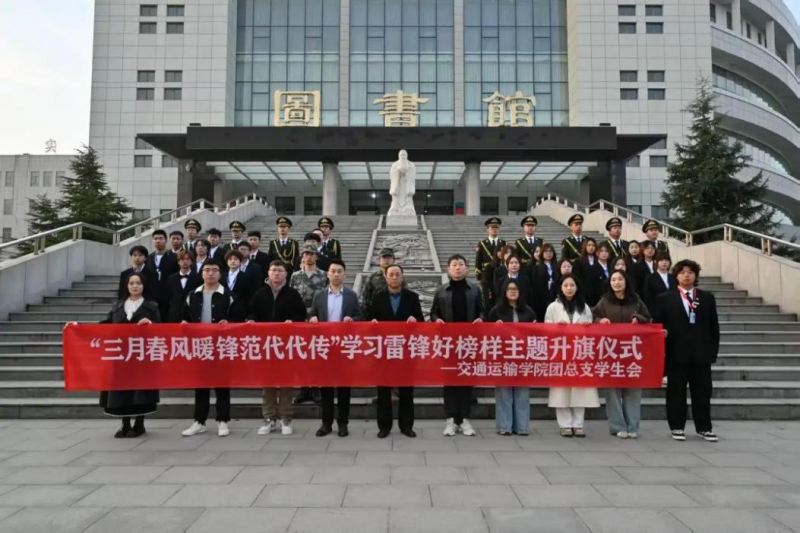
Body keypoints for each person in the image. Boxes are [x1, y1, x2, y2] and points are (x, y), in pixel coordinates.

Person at [654, 259, 720, 442]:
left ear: (695, 275)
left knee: (702, 393)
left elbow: (714, 328)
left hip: (701, 355)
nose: (686, 275)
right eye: (682, 272)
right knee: (676, 392)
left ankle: (704, 428)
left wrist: (712, 353)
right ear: (676, 276)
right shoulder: (665, 299)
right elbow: (658, 325)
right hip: (676, 354)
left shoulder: (707, 298)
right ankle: (676, 427)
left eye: (690, 272)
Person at [181, 260, 245, 437]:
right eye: (207, 270)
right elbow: (184, 315)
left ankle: (222, 421)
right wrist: (184, 322)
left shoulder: (228, 295)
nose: (210, 273)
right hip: (200, 346)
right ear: (201, 273)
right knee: (201, 385)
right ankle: (199, 421)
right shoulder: (193, 295)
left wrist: (229, 323)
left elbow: (239, 319)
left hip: (221, 346)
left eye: (214, 270)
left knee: (222, 385)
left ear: (220, 274)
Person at [248, 260, 308, 436]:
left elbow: (301, 313)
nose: (276, 273)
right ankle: (269, 418)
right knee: (268, 383)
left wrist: (293, 321)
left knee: (286, 383)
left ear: (285, 274)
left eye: (280, 271)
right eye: (273, 270)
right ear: (268, 272)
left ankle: (285, 418)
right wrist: (251, 320)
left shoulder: (292, 294)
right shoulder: (260, 293)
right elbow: (251, 311)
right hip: (266, 345)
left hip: (286, 345)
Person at [99, 272, 160, 438]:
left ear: (144, 286)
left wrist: (151, 324)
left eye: (138, 283)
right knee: (122, 390)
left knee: (140, 391)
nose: (135, 286)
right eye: (131, 283)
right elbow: (105, 324)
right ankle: (124, 424)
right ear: (126, 286)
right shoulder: (118, 306)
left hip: (141, 356)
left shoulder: (151, 306)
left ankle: (139, 424)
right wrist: (78, 327)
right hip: (121, 355)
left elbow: (160, 328)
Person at [430, 254, 485, 437]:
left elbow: (483, 310)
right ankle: (451, 420)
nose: (458, 268)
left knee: (467, 382)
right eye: (454, 265)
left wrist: (481, 319)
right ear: (448, 269)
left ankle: (465, 420)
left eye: (461, 264)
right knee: (449, 381)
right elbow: (434, 312)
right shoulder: (441, 290)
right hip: (449, 344)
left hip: (469, 343)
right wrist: (436, 320)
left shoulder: (475, 289)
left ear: (467, 268)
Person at [593, 271, 652, 439]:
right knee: (612, 392)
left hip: (632, 352)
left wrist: (638, 318)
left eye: (620, 279)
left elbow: (648, 318)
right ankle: (617, 426)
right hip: (610, 351)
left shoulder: (636, 300)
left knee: (633, 391)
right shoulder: (605, 301)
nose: (616, 282)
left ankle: (633, 426)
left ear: (626, 282)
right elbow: (593, 315)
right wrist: (600, 321)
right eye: (613, 280)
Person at [367, 264, 424, 438]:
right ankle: (384, 426)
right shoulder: (378, 297)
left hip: (405, 351)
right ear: (385, 277)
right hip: (383, 350)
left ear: (402, 276)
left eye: (397, 274)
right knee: (383, 390)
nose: (394, 277)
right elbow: (369, 319)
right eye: (391, 274)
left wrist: (415, 320)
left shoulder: (412, 297)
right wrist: (372, 323)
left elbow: (421, 321)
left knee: (406, 390)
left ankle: (406, 426)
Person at [309, 259, 363, 437]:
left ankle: (343, 423)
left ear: (345, 275)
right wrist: (312, 319)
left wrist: (352, 319)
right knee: (325, 388)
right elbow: (311, 314)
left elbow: (360, 316)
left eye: (340, 271)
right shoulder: (319, 296)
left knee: (344, 388)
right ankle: (326, 423)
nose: (336, 274)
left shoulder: (351, 296)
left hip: (344, 347)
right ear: (328, 274)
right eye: (333, 271)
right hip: (325, 348)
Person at [545, 274, 599, 437]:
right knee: (561, 390)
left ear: (577, 287)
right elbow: (546, 330)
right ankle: (565, 424)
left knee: (580, 389)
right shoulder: (553, 307)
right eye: (566, 285)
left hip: (580, 354)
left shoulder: (585, 307)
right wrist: (557, 327)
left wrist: (588, 326)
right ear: (560, 288)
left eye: (572, 285)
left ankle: (578, 424)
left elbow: (592, 331)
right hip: (560, 353)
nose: (569, 288)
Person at [488, 279, 536, 436]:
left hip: (523, 357)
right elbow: (487, 334)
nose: (513, 291)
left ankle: (522, 427)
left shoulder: (528, 311)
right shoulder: (496, 311)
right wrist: (495, 328)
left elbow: (536, 333)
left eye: (516, 288)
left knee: (522, 393)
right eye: (509, 289)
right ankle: (505, 426)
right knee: (504, 393)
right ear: (504, 292)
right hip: (503, 356)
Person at [289, 243, 329, 406]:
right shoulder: (295, 276)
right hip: (300, 321)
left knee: (317, 355)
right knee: (302, 356)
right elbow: (291, 297)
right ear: (302, 256)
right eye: (306, 254)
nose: (309, 256)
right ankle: (304, 389)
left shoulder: (324, 275)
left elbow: (327, 298)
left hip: (318, 321)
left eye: (312, 254)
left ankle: (316, 388)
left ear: (316, 256)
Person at [361, 247, 405, 317]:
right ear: (379, 260)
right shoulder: (372, 278)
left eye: (389, 258)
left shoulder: (400, 278)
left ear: (393, 260)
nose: (386, 260)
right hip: (376, 316)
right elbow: (365, 300)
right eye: (384, 258)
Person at [145, 229, 179, 319]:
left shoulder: (174, 257)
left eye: (161, 238)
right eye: (155, 239)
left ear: (166, 240)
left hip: (169, 294)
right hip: (152, 295)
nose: (158, 241)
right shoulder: (149, 258)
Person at [475, 217, 506, 311]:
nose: (494, 229)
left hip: (500, 273)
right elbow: (478, 261)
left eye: (496, 227)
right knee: (487, 298)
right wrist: (479, 277)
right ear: (487, 229)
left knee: (500, 296)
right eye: (492, 227)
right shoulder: (482, 244)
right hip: (487, 274)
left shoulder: (503, 243)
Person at [166, 250, 202, 322]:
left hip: (192, 315)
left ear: (192, 261)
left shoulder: (198, 278)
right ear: (178, 262)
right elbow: (168, 297)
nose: (185, 261)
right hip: (174, 315)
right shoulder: (171, 278)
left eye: (188, 259)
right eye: (182, 259)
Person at [532, 243, 558, 321]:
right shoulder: (537, 267)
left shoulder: (557, 266)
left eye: (550, 251)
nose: (548, 253)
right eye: (546, 251)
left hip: (555, 296)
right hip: (541, 298)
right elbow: (535, 283)